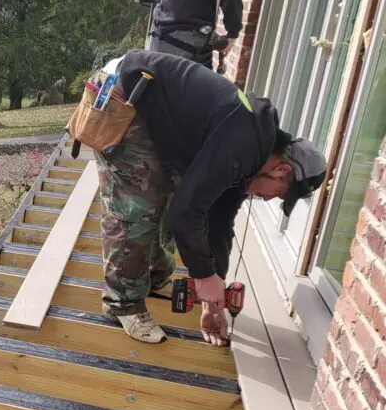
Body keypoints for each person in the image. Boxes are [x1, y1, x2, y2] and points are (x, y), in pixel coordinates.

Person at [91, 50, 327, 346]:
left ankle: (150, 274)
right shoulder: (242, 145)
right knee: (139, 205)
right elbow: (185, 214)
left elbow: (219, 222)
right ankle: (122, 302)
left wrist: (213, 298)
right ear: (282, 170)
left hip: (148, 111)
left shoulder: (251, 161)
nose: (267, 200)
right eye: (278, 194)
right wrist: (203, 277)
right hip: (122, 94)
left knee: (174, 195)